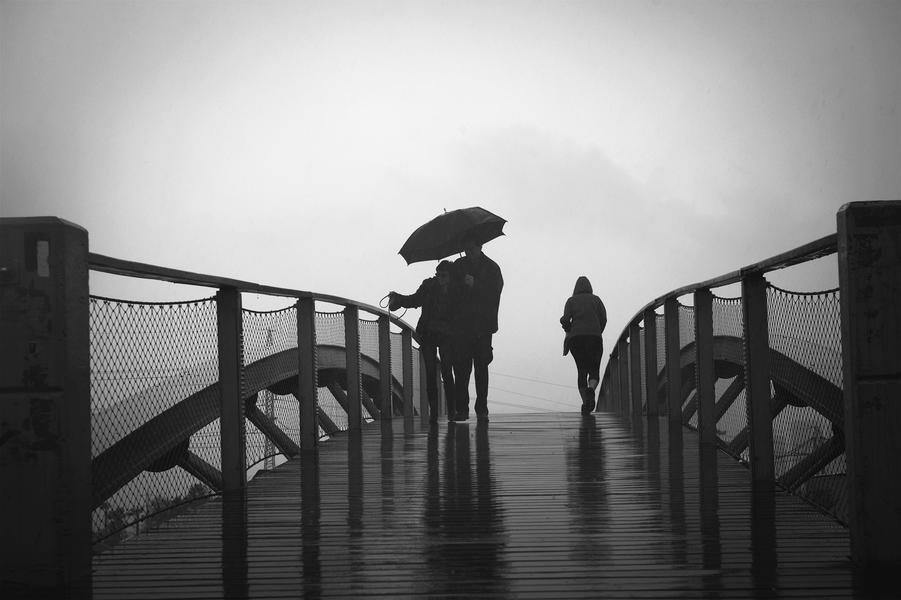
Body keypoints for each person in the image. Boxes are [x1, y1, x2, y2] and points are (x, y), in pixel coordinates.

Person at [388, 260, 458, 424]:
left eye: (443, 275)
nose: (440, 278)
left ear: (450, 276)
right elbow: (414, 300)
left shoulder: (457, 289)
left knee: (447, 372)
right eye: (438, 275)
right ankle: (435, 411)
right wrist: (398, 298)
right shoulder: (429, 286)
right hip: (430, 334)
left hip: (446, 335)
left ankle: (451, 411)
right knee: (432, 373)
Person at [452, 234, 503, 421]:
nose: (468, 252)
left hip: (483, 326)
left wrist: (475, 284)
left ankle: (481, 407)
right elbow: (452, 292)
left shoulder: (492, 268)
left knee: (481, 367)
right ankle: (462, 409)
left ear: (480, 247)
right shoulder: (458, 266)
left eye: (471, 248)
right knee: (462, 369)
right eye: (466, 249)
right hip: (463, 327)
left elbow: (495, 292)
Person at [560, 276, 607, 415]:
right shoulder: (596, 300)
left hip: (576, 339)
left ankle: (586, 402)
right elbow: (603, 318)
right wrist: (598, 330)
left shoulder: (571, 301)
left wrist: (570, 329)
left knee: (581, 371)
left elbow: (565, 319)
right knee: (594, 369)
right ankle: (591, 390)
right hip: (594, 337)